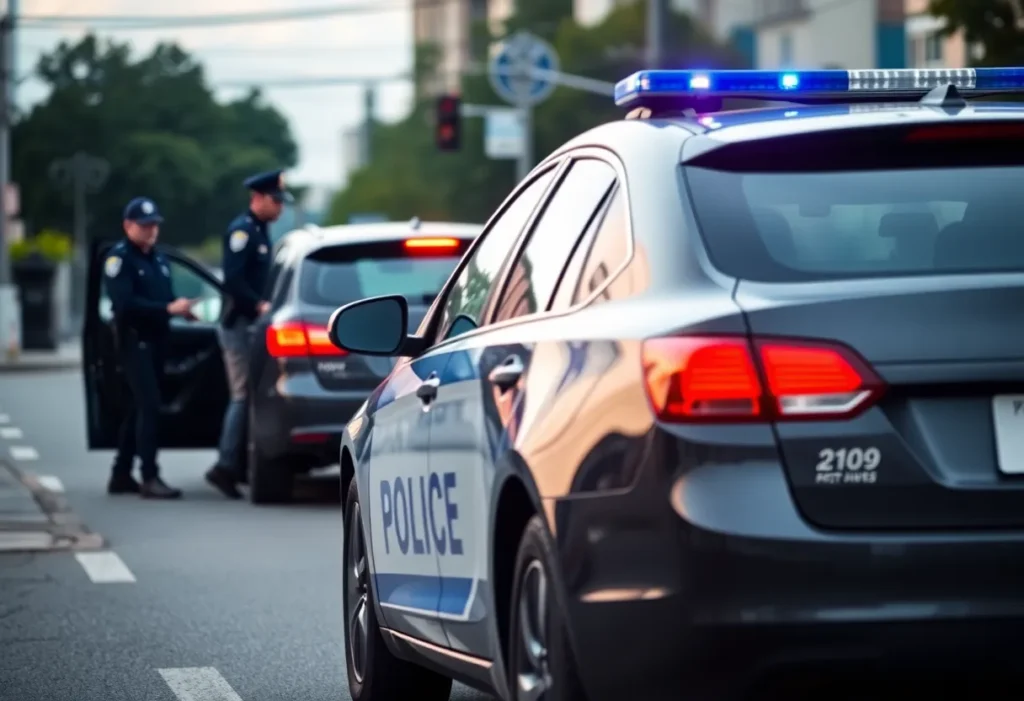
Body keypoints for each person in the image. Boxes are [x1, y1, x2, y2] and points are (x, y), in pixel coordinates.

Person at [205, 169, 290, 499]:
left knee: (250, 394)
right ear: (257, 198)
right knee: (241, 395)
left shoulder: (259, 230)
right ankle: (225, 466)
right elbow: (234, 281)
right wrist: (258, 306)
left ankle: (236, 463)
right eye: (275, 200)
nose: (280, 207)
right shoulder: (242, 232)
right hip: (239, 325)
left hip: (250, 324)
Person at [105, 197, 196, 499]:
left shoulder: (158, 259)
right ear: (127, 226)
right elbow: (126, 305)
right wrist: (168, 309)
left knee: (136, 408)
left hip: (157, 342)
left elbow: (163, 298)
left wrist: (178, 310)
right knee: (149, 406)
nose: (151, 230)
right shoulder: (120, 260)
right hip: (135, 343)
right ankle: (149, 476)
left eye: (154, 225)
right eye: (144, 226)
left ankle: (121, 473)